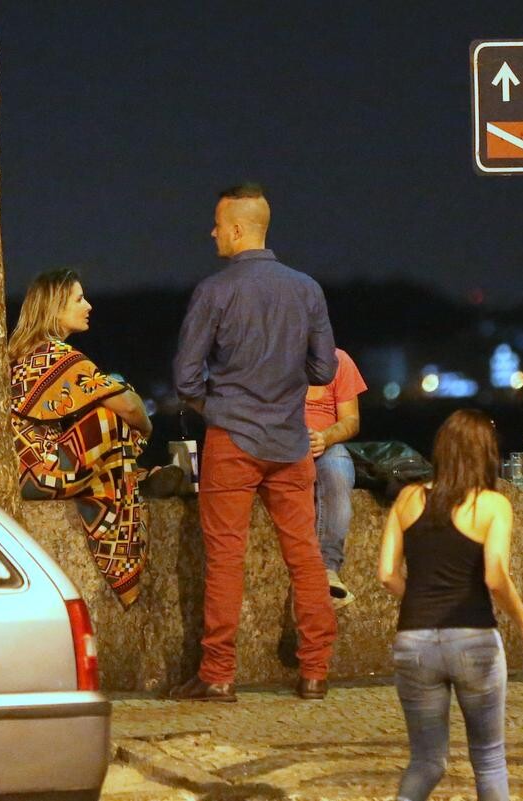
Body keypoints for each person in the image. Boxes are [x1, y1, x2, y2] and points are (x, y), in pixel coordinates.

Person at [170, 183, 338, 702]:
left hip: (232, 440)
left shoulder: (215, 292)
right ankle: (315, 671)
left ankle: (218, 675)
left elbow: (185, 377)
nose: (213, 232)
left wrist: (215, 407)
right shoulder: (307, 288)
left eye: (219, 225)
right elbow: (324, 367)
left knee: (225, 557)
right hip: (290, 442)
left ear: (238, 230)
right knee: (306, 555)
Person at [378, 409, 523, 801]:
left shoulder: (407, 498)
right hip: (473, 639)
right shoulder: (491, 505)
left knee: (426, 762)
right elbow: (495, 575)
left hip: (414, 642)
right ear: (485, 454)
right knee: (488, 760)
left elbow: (386, 574)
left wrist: (421, 600)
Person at [8, 268, 155, 607]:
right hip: (43, 472)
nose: (88, 305)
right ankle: (122, 554)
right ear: (55, 307)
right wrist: (146, 430)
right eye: (78, 299)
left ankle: (139, 474)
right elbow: (130, 408)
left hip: (18, 471)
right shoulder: (60, 358)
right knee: (110, 419)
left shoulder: (19, 355)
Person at [305, 347, 367, 609]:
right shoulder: (273, 356)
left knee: (338, 471)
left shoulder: (338, 360)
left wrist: (324, 438)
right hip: (282, 445)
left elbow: (351, 420)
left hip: (325, 444)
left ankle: (328, 570)